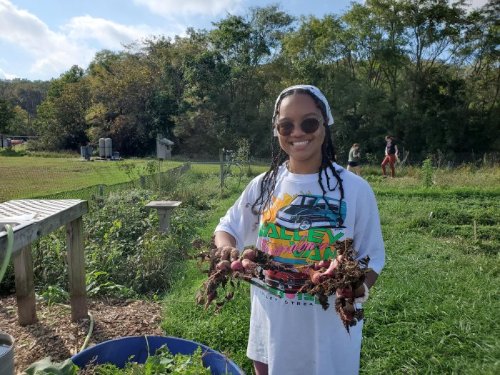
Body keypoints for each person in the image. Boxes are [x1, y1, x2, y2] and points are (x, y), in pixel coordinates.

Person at [214, 85, 385, 375]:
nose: (297, 132)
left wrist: (355, 286)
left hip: (329, 337)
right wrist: (226, 249)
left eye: (309, 122)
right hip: (272, 332)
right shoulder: (264, 185)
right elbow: (226, 227)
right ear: (276, 130)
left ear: (325, 125)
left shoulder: (355, 190)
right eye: (286, 125)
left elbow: (373, 257)